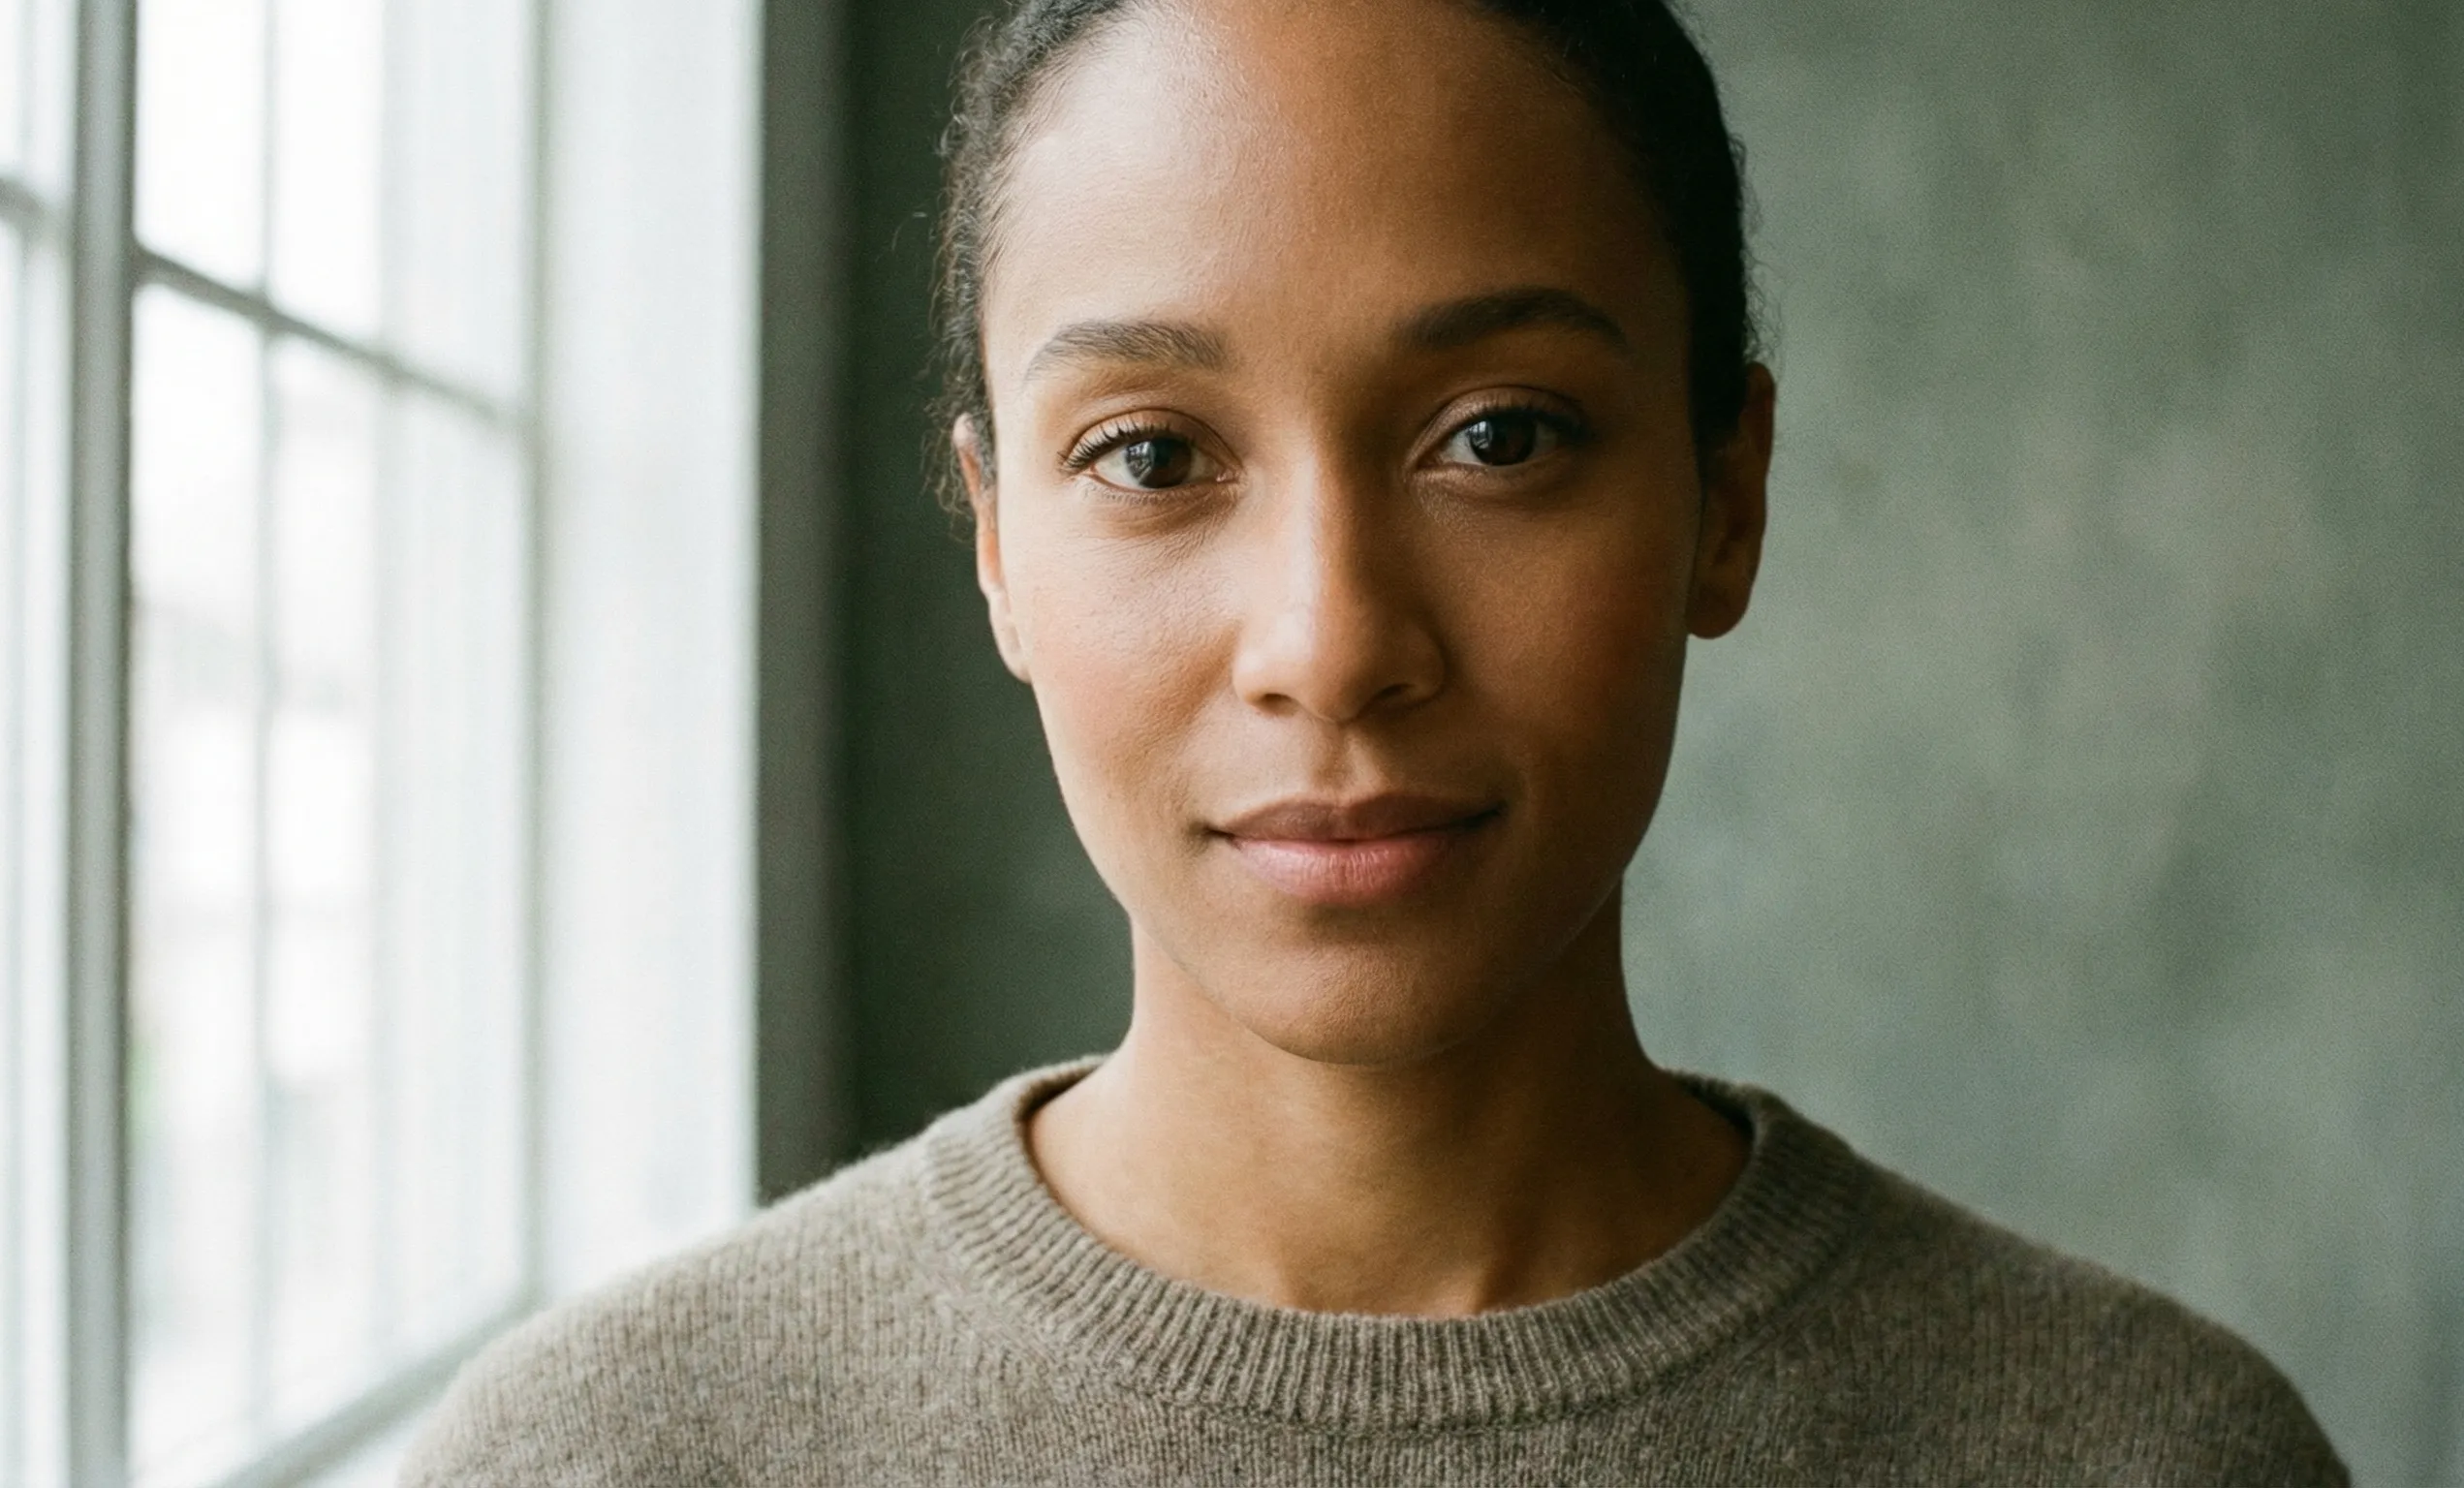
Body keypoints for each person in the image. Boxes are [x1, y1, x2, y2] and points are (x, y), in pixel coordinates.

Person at [405, 0, 2347, 1481]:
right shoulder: (619, 1454)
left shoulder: (2134, 1453)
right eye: (1152, 456)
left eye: (1500, 435)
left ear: (1723, 496)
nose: (1329, 644)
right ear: (997, 543)